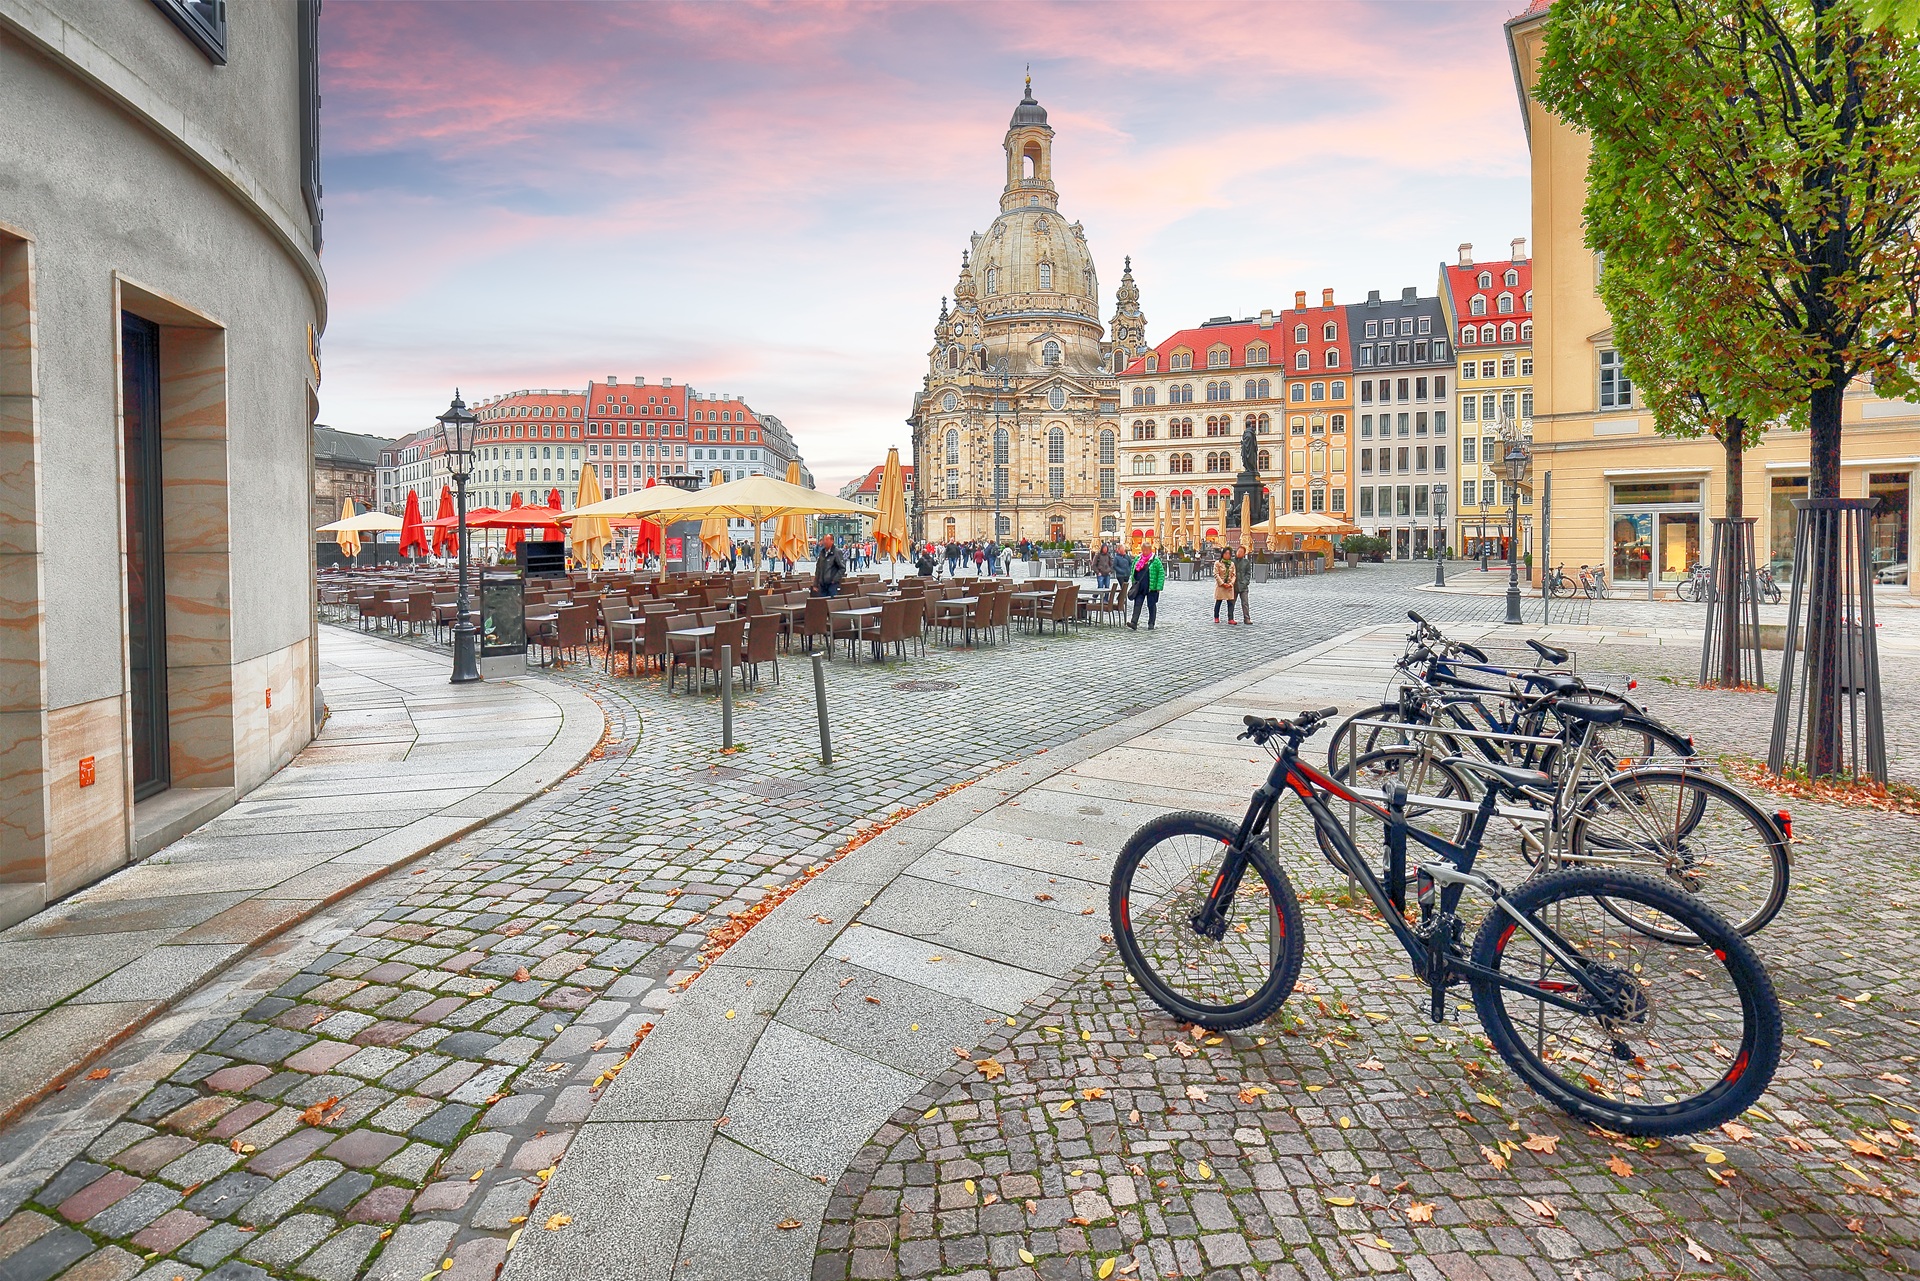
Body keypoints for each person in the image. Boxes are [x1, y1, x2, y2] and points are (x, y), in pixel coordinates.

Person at [1127, 543, 1165, 630]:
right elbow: (1133, 569)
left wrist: (1159, 586)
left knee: (1151, 605)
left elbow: (1161, 573)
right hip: (1140, 587)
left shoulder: (1155, 560)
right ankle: (1134, 622)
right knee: (1137, 604)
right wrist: (1133, 581)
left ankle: (1151, 623)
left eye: (1146, 550)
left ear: (1150, 550)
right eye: (1143, 550)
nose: (1144, 552)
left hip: (1151, 587)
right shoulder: (1138, 558)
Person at [1213, 547, 1238, 623]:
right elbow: (1216, 574)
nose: (1227, 555)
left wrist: (1231, 583)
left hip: (1229, 585)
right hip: (1221, 585)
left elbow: (1234, 575)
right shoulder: (1218, 563)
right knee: (1218, 602)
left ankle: (1230, 618)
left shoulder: (1232, 564)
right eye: (1225, 553)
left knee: (1230, 603)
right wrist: (1222, 583)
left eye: (1229, 554)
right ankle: (1216, 617)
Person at [1234, 545, 1255, 625]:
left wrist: (1245, 582)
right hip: (1234, 585)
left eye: (1241, 552)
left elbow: (1248, 574)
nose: (1239, 553)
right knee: (1232, 603)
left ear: (1244, 554)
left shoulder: (1246, 562)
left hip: (1243, 586)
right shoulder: (1232, 561)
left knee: (1245, 603)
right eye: (1238, 551)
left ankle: (1247, 618)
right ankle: (1231, 618)